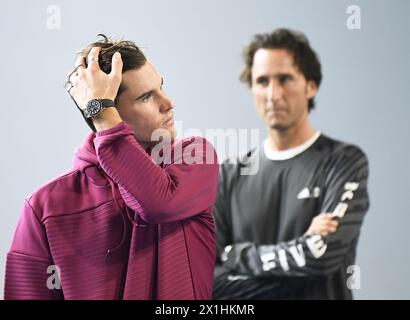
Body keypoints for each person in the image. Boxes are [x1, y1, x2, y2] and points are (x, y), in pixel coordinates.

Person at [4, 35, 218, 300]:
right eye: (146, 98)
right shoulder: (44, 206)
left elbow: (157, 203)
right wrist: (102, 112)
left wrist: (102, 114)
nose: (169, 103)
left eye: (162, 87)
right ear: (110, 114)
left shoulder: (195, 157)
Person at [212, 28, 369, 299]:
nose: (273, 94)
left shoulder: (344, 161)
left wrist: (235, 255)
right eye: (262, 81)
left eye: (285, 79)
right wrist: (301, 257)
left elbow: (319, 255)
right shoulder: (228, 174)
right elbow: (207, 280)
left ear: (311, 85)